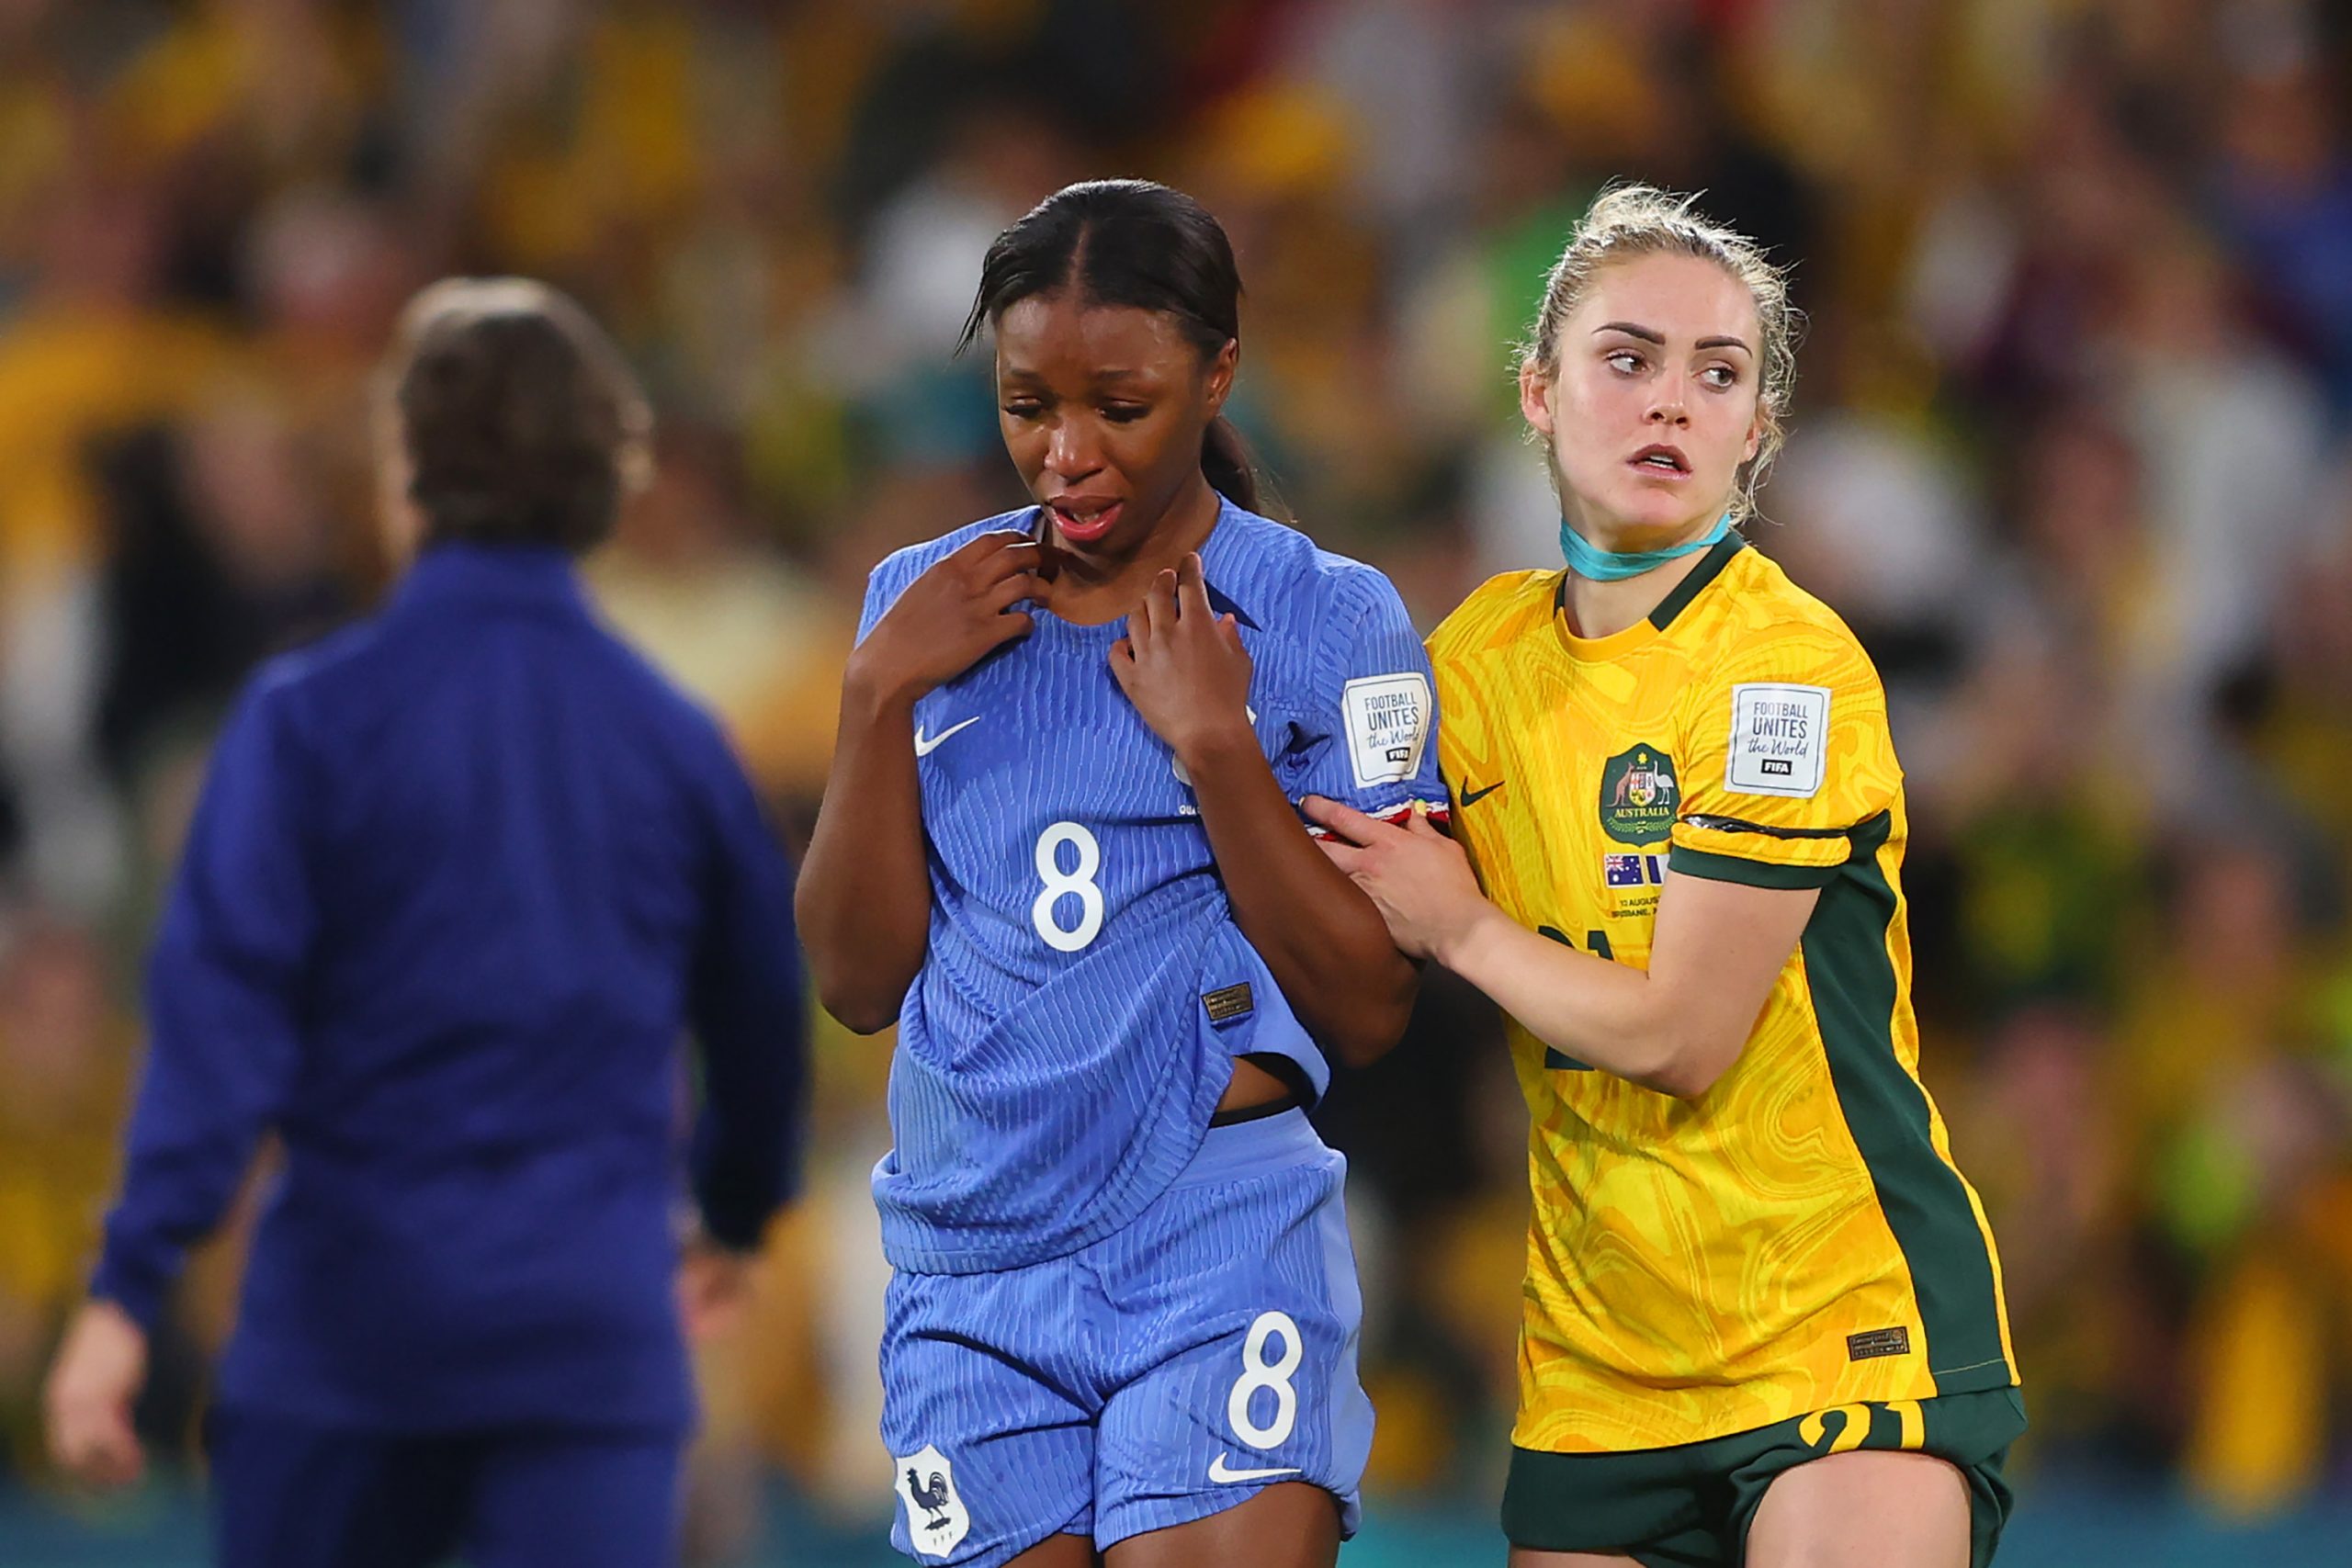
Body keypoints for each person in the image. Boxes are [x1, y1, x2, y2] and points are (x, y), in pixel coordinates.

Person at [1310, 185, 2024, 1568]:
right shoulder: (1474, 663)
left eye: (1720, 374)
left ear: (1757, 430)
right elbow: (1331, 870)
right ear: (1537, 391)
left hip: (1838, 1328)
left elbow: (1682, 1036)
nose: (1672, 405)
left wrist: (1456, 924)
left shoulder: (1785, 669)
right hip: (1598, 1363)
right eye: (1627, 359)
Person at [42, 278, 808, 1568]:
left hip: (346, 1335)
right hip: (587, 1340)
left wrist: (127, 1288)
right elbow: (760, 1019)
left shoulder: (305, 722)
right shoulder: (675, 744)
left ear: (406, 476)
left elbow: (217, 1034)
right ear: (605, 479)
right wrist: (731, 1216)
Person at [795, 179, 1444, 1568]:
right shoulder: (921, 605)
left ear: (1217, 375)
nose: (1067, 455)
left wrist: (1220, 753)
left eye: (1121, 406)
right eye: (1029, 407)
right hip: (969, 1261)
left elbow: (1372, 1005)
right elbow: (854, 984)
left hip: (1215, 1226)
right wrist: (872, 696)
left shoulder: (1332, 617)